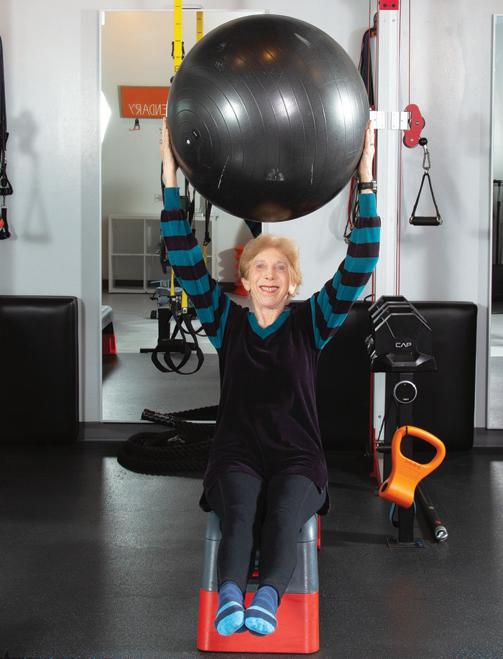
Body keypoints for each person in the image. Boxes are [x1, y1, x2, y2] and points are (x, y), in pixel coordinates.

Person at [160, 119, 380, 637]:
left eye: (281, 269)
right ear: (245, 278)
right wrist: (170, 178)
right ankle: (230, 598)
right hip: (236, 451)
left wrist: (366, 178)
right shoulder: (226, 323)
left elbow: (362, 259)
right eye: (261, 267)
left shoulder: (312, 323)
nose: (270, 276)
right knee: (238, 513)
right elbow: (186, 258)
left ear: (293, 282)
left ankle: (267, 600)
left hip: (297, 455)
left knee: (283, 514)